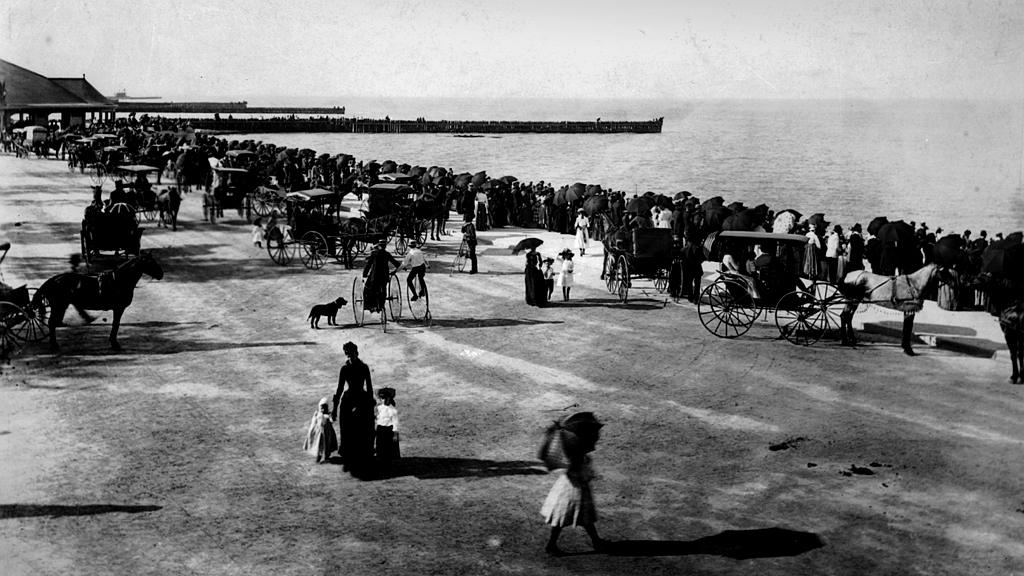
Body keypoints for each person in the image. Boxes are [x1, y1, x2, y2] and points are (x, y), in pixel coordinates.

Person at [540, 412, 607, 556]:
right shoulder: (576, 454)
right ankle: (551, 545)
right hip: (573, 490)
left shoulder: (570, 449)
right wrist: (589, 472)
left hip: (566, 488)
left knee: (574, 518)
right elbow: (580, 473)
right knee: (575, 518)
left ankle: (595, 541)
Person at [332, 342, 375, 475]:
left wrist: (369, 403)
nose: (351, 357)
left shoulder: (364, 368)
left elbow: (369, 387)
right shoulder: (344, 369)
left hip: (361, 398)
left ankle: (362, 456)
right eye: (348, 355)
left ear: (357, 353)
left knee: (363, 429)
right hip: (348, 400)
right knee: (347, 429)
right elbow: (339, 388)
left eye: (352, 354)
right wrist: (335, 407)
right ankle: (351, 457)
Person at [362, 239, 401, 313]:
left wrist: (364, 274)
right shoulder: (387, 254)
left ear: (379, 245)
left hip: (375, 276)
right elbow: (394, 262)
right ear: (385, 246)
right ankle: (381, 305)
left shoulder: (374, 254)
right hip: (384, 276)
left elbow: (368, 265)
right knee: (383, 289)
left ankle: (371, 305)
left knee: (369, 288)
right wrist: (402, 267)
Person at [303, 398, 339, 464]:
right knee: (319, 446)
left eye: (324, 408)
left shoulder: (328, 415)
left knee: (327, 445)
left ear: (327, 407)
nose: (322, 409)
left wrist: (331, 417)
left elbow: (331, 420)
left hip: (328, 434)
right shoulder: (317, 414)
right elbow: (314, 422)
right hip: (320, 434)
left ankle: (327, 457)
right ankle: (318, 457)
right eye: (321, 408)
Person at [374, 387, 401, 475]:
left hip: (388, 431)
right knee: (380, 448)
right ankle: (381, 465)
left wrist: (395, 434)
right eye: (382, 398)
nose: (382, 400)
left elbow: (395, 423)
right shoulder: (380, 408)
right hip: (380, 430)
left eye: (384, 398)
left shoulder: (392, 410)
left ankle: (387, 467)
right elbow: (377, 418)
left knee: (387, 450)